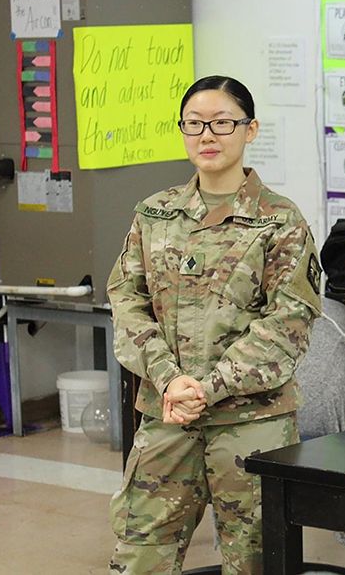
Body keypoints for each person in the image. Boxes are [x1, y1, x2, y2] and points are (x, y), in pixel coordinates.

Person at [106, 75, 322, 573]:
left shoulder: (280, 222)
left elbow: (287, 323)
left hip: (250, 422)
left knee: (254, 559)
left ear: (250, 130)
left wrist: (209, 387)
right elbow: (127, 299)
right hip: (168, 414)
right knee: (140, 549)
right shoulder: (154, 213)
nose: (208, 135)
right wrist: (169, 379)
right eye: (194, 123)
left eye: (223, 122)